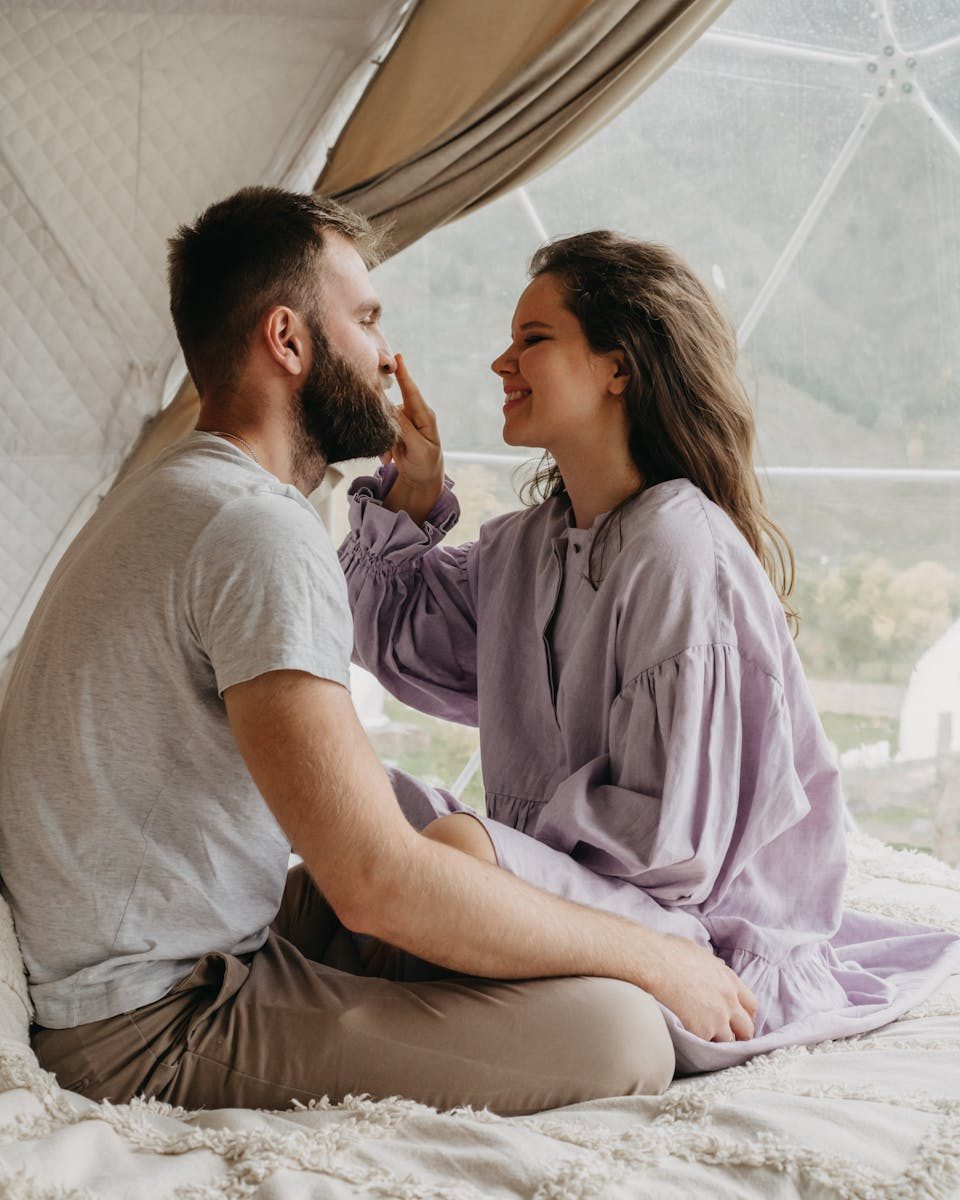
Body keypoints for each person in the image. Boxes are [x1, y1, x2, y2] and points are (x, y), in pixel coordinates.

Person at [0, 190, 761, 1117]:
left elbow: (369, 863)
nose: (388, 356)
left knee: (461, 882)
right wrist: (658, 958)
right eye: (365, 320)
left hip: (161, 947)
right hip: (147, 1019)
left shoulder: (185, 491)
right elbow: (375, 884)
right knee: (623, 1034)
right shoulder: (256, 530)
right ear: (288, 340)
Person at [339, 230, 960, 1074]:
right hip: (581, 900)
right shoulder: (527, 545)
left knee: (445, 855)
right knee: (368, 806)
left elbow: (667, 852)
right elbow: (389, 638)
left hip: (694, 940)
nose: (500, 364)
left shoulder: (678, 549)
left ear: (618, 367)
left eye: (532, 339)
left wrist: (481, 865)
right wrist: (414, 492)